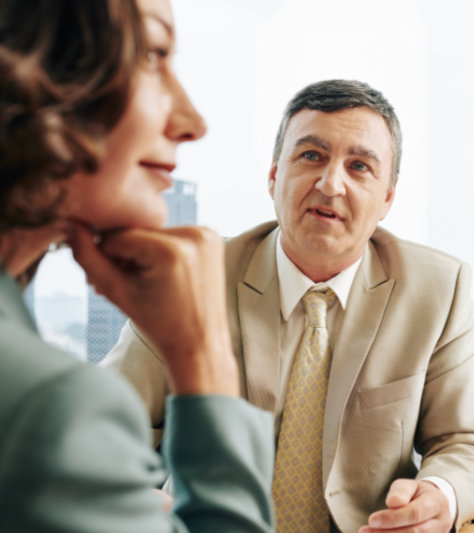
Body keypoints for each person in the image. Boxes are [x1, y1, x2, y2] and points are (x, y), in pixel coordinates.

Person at [105, 79, 474, 532]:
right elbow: (99, 433)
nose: (331, 184)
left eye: (359, 166)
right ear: (274, 176)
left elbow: (467, 440)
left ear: (388, 197)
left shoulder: (436, 289)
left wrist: (440, 497)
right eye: (311, 156)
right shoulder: (191, 280)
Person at [0, 0, 275, 531]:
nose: (192, 121)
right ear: (31, 65)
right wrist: (204, 358)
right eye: (152, 54)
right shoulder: (52, 407)